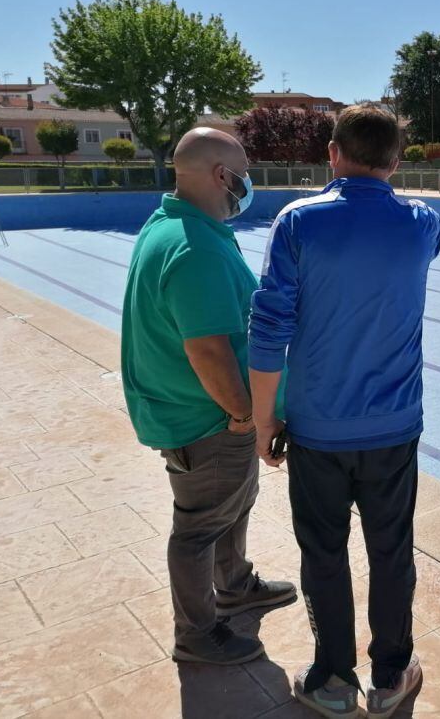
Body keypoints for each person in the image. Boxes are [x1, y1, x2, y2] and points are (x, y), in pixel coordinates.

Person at [249, 104, 440, 719]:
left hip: (317, 430)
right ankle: (391, 676)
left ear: (332, 152)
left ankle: (333, 679)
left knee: (323, 554)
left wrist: (263, 422)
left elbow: (268, 329)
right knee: (392, 552)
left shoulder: (298, 222)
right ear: (396, 159)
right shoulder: (422, 223)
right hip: (393, 430)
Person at [121, 127, 295, 665]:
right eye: (243, 172)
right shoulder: (193, 248)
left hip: (200, 414)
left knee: (231, 506)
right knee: (199, 528)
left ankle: (235, 585)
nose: (247, 183)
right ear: (223, 176)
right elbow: (208, 351)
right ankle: (196, 634)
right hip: (206, 419)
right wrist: (244, 414)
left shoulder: (174, 223)